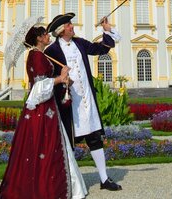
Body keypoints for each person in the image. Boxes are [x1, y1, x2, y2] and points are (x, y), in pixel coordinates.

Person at [0, 25, 87, 199]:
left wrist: (62, 78)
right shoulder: (37, 56)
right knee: (46, 145)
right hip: (42, 109)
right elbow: (39, 88)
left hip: (44, 109)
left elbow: (45, 81)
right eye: (45, 34)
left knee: (42, 147)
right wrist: (60, 78)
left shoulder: (39, 55)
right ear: (39, 38)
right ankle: (49, 186)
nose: (48, 36)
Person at [45, 12, 123, 191]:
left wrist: (108, 30)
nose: (72, 27)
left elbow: (101, 48)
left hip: (87, 99)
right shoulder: (51, 52)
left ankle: (104, 179)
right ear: (61, 30)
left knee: (95, 138)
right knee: (69, 143)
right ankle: (69, 183)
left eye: (71, 24)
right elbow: (48, 78)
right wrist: (61, 79)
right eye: (69, 25)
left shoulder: (79, 43)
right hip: (69, 104)